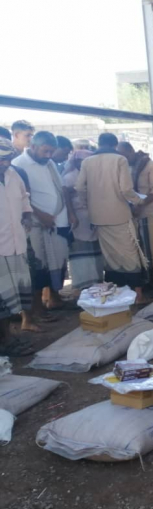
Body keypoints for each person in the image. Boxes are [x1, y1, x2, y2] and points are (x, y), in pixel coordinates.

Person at [75, 133, 148, 303]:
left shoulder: (87, 162)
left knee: (110, 256)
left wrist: (87, 204)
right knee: (130, 254)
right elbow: (126, 189)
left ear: (99, 144)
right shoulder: (120, 160)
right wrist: (138, 200)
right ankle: (137, 294)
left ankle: (118, 294)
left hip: (98, 217)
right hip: (119, 214)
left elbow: (79, 187)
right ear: (115, 145)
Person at [13, 132, 70, 319]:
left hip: (57, 222)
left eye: (51, 152)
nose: (49, 155)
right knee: (37, 267)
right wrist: (41, 215)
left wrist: (68, 213)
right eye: (45, 151)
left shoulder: (49, 163)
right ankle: (37, 309)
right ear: (33, 146)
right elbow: (22, 198)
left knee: (58, 262)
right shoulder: (19, 165)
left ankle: (54, 298)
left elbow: (60, 189)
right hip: (35, 225)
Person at [0, 138, 34, 356]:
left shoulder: (13, 175)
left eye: (8, 159)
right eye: (2, 159)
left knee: (12, 298)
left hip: (15, 244)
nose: (5, 163)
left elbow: (23, 198)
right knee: (1, 300)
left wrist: (27, 214)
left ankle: (8, 338)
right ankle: (6, 342)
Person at [116, 142, 153, 282]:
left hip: (150, 212)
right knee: (139, 247)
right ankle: (144, 278)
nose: (123, 158)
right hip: (132, 214)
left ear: (131, 151)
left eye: (124, 155)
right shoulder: (125, 168)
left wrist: (140, 204)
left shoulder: (150, 166)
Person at [62, 150, 103, 294]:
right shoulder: (69, 177)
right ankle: (81, 286)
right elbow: (66, 197)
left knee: (95, 251)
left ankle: (97, 283)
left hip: (93, 216)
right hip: (78, 217)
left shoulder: (94, 175)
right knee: (80, 251)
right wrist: (71, 215)